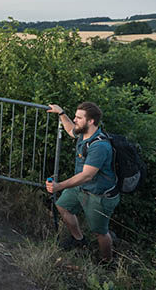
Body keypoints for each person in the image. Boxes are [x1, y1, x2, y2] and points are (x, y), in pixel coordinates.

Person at [45, 102, 119, 262]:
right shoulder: (84, 133)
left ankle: (107, 261)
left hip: (99, 196)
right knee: (62, 205)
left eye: (79, 117)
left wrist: (59, 186)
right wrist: (61, 112)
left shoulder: (99, 146)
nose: (75, 119)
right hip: (81, 188)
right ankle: (78, 239)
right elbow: (70, 129)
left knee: (100, 232)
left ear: (90, 121)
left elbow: (87, 176)